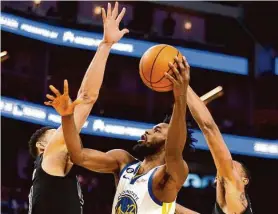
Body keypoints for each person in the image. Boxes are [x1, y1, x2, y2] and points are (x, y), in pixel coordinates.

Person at [45, 55, 194, 213]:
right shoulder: (122, 161)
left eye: (156, 130)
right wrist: (67, 117)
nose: (147, 131)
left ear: (169, 140)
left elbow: (174, 151)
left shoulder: (169, 175)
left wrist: (180, 96)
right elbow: (78, 156)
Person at [27, 2, 129, 214]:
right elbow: (87, 97)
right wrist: (105, 45)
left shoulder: (47, 178)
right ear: (43, 148)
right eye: (56, 134)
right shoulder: (51, 157)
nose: (64, 134)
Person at [186, 84, 253, 214]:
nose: (228, 164)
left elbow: (209, 128)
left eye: (232, 166)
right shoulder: (229, 206)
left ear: (244, 181)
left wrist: (184, 86)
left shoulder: (238, 195)